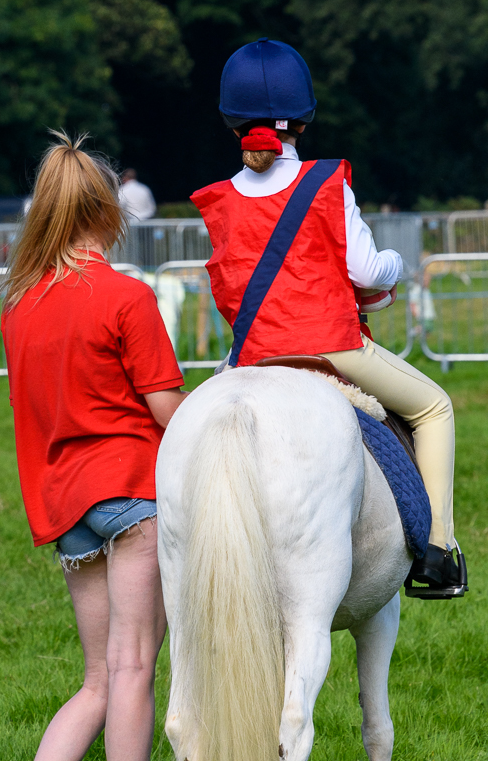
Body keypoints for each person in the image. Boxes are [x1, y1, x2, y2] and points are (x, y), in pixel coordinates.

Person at [190, 37, 463, 596]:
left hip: (252, 356)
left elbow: (230, 289)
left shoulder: (219, 200)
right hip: (333, 346)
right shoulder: (325, 183)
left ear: (231, 123)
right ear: (303, 120)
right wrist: (396, 263)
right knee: (435, 407)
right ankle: (439, 552)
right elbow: (367, 270)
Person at [1, 131, 187, 761]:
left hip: (65, 506)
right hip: (133, 493)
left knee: (98, 677)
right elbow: (166, 410)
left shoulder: (19, 304)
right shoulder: (126, 296)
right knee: (134, 664)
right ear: (107, 212)